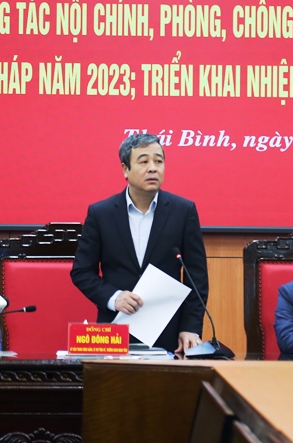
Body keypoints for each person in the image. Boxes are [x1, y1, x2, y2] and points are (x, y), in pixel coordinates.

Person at [70, 133, 209, 355]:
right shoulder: (101, 214)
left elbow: (197, 276)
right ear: (125, 169)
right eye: (144, 161)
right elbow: (82, 272)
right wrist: (114, 297)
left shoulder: (183, 211)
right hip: (115, 330)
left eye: (158, 161)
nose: (153, 168)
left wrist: (190, 327)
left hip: (169, 335)